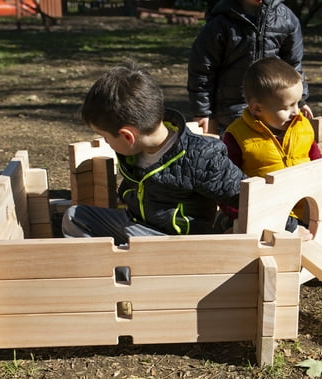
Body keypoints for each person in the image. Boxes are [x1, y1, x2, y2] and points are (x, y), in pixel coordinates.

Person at [62, 62, 247, 245]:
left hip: (175, 242)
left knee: (134, 246)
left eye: (105, 137)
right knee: (74, 217)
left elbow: (243, 194)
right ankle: (110, 265)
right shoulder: (134, 152)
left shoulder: (201, 156)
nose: (107, 143)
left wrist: (230, 228)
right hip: (134, 226)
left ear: (128, 136)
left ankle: (123, 266)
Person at [218, 57, 322, 239]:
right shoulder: (237, 136)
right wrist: (237, 215)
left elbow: (317, 164)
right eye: (287, 106)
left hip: (301, 211)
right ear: (257, 109)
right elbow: (225, 183)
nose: (296, 111)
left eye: (297, 103)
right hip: (259, 214)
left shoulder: (303, 127)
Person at [187, 0, 313, 135]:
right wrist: (203, 112)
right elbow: (203, 70)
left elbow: (293, 65)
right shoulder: (220, 23)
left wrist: (299, 100)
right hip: (231, 109)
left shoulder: (286, 19)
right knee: (236, 150)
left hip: (274, 107)